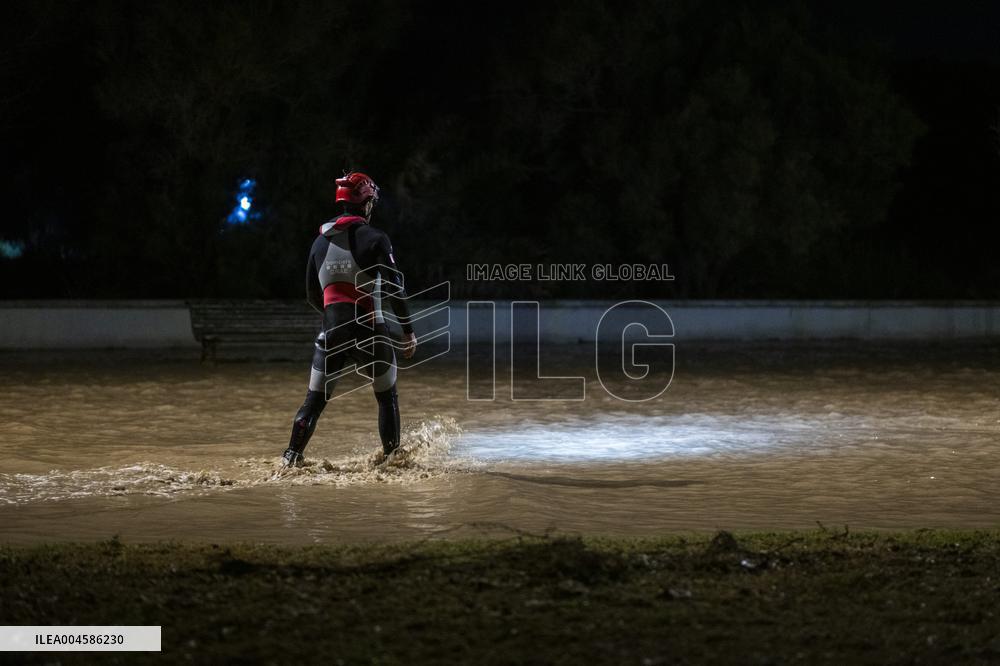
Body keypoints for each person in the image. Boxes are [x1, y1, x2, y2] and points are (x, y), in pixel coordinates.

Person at [280, 172, 417, 468]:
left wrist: (335, 319)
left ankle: (290, 458)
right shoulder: (377, 239)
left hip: (331, 333)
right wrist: (408, 331)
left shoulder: (318, 243)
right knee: (387, 398)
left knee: (313, 403)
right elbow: (395, 289)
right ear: (366, 203)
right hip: (370, 332)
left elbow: (312, 295)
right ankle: (392, 462)